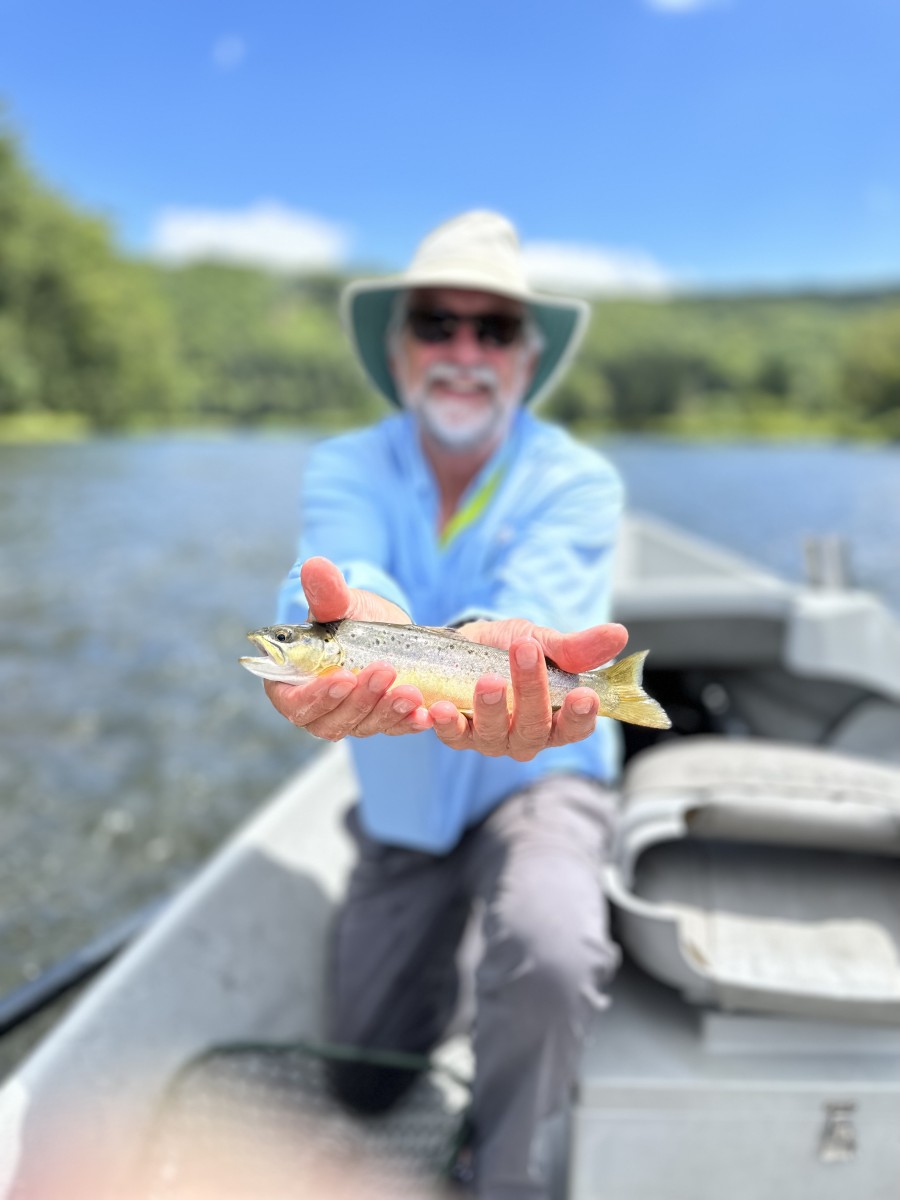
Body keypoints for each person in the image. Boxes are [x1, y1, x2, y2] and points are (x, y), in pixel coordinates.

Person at [265, 210, 628, 1200]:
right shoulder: (346, 461)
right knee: (363, 1080)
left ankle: (499, 1168)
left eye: (495, 329)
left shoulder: (578, 479)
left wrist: (499, 642)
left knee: (552, 950)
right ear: (399, 347)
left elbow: (542, 607)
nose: (464, 351)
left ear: (525, 356)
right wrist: (345, 622)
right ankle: (449, 970)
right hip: (405, 802)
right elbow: (331, 573)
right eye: (437, 323)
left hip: (537, 768)